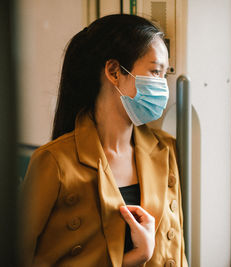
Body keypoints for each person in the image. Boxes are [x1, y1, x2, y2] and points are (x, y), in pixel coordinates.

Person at [19, 14, 187, 267]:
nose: (164, 86)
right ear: (114, 71)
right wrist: (136, 257)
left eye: (165, 74)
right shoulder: (54, 161)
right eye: (155, 71)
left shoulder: (166, 149)